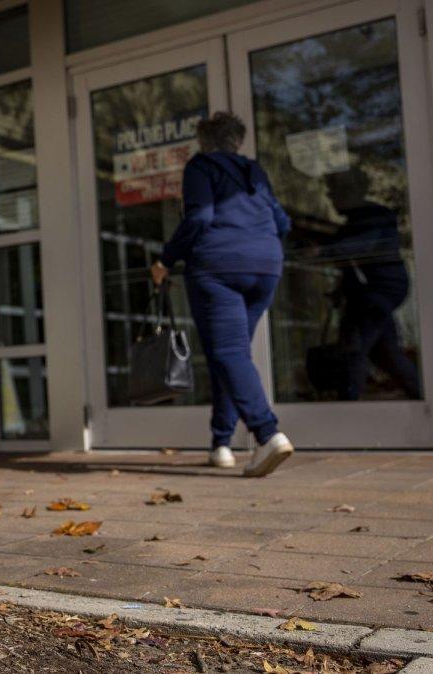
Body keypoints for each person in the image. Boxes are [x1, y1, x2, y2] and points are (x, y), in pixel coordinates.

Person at [150, 112, 293, 477]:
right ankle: (222, 444)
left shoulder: (200, 167)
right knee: (231, 354)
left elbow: (199, 217)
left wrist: (165, 258)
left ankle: (267, 433)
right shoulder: (254, 171)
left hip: (219, 267)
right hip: (265, 266)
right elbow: (282, 223)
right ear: (237, 140)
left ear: (203, 140)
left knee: (228, 351)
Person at [323, 167, 421, 400]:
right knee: (385, 353)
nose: (332, 198)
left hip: (377, 294)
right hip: (373, 294)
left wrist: (324, 250)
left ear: (350, 192)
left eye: (334, 192)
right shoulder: (355, 222)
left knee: (353, 351)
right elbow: (350, 262)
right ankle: (423, 396)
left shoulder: (373, 218)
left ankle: (347, 408)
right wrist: (340, 290)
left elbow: (357, 248)